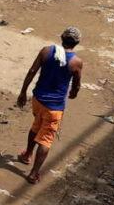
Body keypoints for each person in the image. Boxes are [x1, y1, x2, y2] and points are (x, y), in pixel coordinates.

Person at [16, 28, 84, 185]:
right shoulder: (76, 62)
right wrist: (73, 93)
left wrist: (23, 92)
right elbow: (76, 84)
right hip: (54, 107)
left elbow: (32, 71)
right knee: (46, 139)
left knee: (36, 126)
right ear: (77, 43)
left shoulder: (46, 51)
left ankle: (27, 154)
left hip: (38, 100)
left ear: (61, 38)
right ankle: (33, 174)